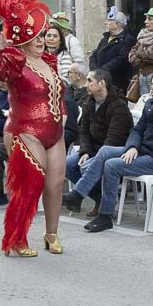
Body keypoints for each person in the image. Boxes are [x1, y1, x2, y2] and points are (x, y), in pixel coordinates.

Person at [0, 0, 68, 256]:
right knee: (31, 183)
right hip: (24, 130)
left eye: (42, 36)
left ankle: (51, 234)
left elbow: (57, 92)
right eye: (35, 37)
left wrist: (63, 114)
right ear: (23, 40)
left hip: (54, 131)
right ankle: (17, 238)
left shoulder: (49, 61)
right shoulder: (15, 60)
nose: (41, 41)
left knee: (55, 184)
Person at [81, 70, 153, 232]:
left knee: (112, 165)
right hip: (142, 151)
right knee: (105, 151)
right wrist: (132, 147)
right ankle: (77, 195)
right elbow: (137, 130)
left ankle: (105, 215)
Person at [61, 69, 133, 214]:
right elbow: (84, 131)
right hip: (94, 148)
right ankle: (98, 196)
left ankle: (93, 199)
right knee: (67, 164)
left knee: (86, 166)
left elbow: (114, 138)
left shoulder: (118, 105)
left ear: (102, 83)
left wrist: (95, 157)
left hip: (114, 150)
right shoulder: (90, 102)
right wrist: (85, 152)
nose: (86, 84)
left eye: (89, 80)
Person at [126, 7, 153, 96]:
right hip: (142, 75)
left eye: (150, 19)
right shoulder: (142, 36)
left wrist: (139, 55)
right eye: (146, 19)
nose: (146, 22)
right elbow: (132, 52)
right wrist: (137, 59)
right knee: (144, 101)